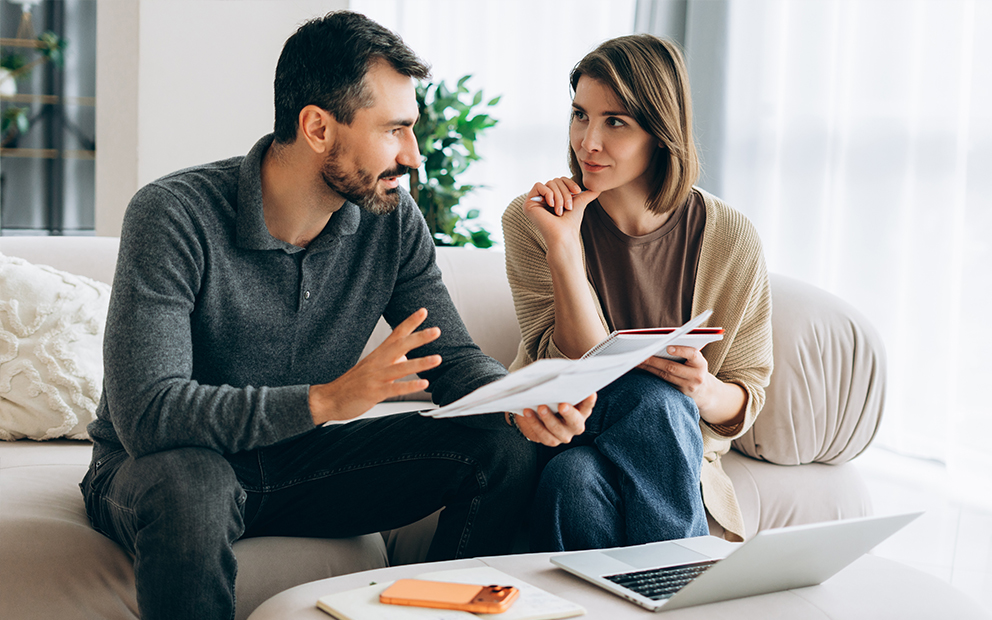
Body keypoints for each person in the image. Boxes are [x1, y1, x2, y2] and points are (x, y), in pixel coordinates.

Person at [79, 12, 595, 620]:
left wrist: (516, 399)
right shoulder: (174, 215)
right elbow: (150, 417)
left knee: (499, 448)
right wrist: (324, 401)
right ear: (318, 127)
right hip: (157, 472)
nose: (414, 155)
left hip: (297, 465)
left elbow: (448, 356)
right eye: (395, 129)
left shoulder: (390, 221)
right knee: (195, 484)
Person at [501, 34, 773, 551]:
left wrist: (699, 387)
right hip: (571, 422)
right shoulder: (533, 219)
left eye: (615, 122)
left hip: (655, 451)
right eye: (580, 115)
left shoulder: (730, 236)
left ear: (661, 133)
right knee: (650, 400)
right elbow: (571, 365)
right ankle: (686, 584)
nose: (588, 141)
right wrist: (563, 246)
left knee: (574, 484)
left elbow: (746, 395)